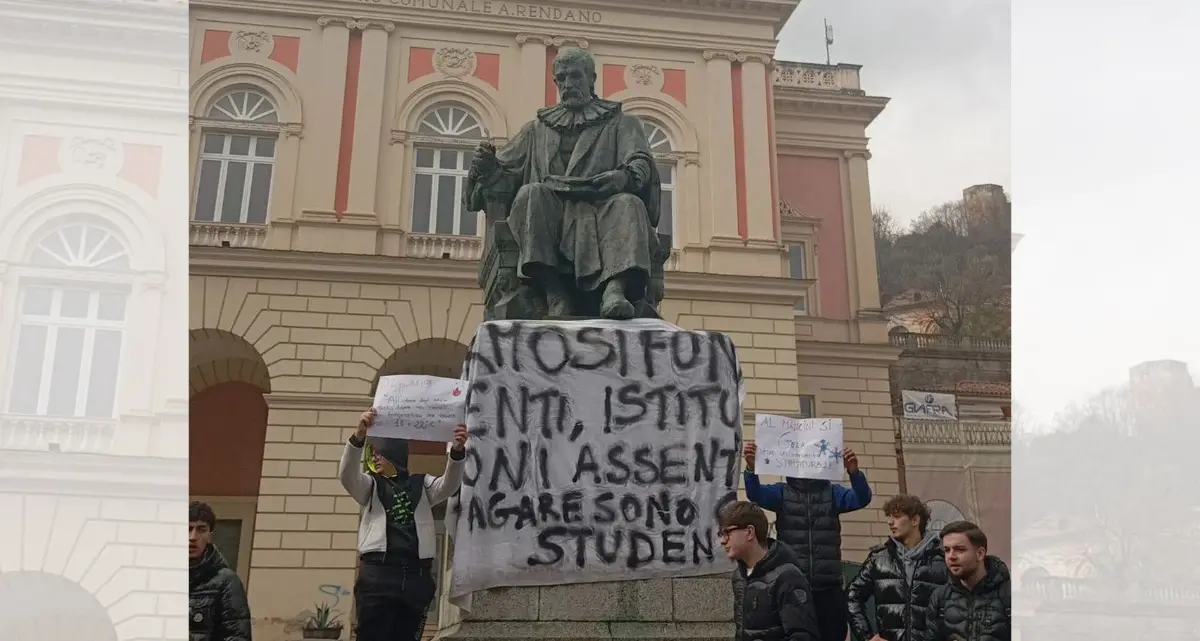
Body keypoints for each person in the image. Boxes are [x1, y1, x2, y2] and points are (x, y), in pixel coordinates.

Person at [466, 47, 662, 319]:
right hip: (553, 210)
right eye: (562, 78)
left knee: (628, 204)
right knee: (530, 194)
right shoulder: (536, 129)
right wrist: (487, 167)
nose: (568, 84)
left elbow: (641, 160)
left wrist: (624, 177)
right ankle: (554, 293)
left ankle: (614, 290)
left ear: (591, 79)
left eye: (575, 77)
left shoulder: (622, 123)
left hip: (602, 204)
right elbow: (506, 174)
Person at [339, 408, 468, 641]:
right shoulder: (371, 485)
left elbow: (448, 485)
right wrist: (358, 437)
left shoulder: (422, 484)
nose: (374, 459)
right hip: (378, 573)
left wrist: (457, 453)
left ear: (393, 456)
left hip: (416, 574)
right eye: (372, 455)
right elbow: (347, 476)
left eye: (378, 454)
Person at [742, 441, 872, 641]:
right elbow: (756, 494)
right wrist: (751, 468)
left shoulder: (833, 493)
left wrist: (854, 472)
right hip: (795, 587)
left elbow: (861, 498)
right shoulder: (782, 492)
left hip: (828, 587)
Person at [846, 495, 948, 641]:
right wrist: (866, 636)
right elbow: (852, 597)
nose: (890, 522)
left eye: (897, 516)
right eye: (889, 517)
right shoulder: (879, 558)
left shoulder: (942, 559)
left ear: (915, 520)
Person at [722, 501, 820, 641]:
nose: (722, 540)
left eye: (727, 532)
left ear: (750, 532)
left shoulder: (788, 577)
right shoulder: (739, 577)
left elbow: (803, 636)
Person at [924, 521, 1010, 641]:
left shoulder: (1009, 595)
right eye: (947, 550)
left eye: (959, 549)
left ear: (980, 554)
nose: (951, 556)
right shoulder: (940, 597)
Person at [188, 501, 252, 641]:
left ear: (210, 535)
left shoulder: (226, 581)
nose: (193, 537)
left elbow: (237, 636)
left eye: (201, 529)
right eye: (188, 528)